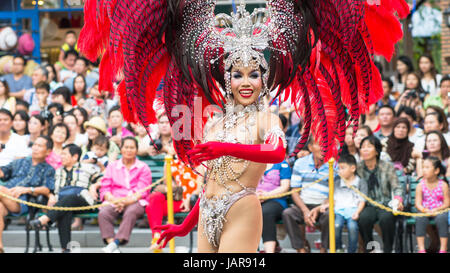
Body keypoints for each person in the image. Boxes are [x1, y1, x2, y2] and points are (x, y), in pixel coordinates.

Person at [79, 0, 407, 253]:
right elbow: (212, 183)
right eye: (238, 74)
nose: (245, 81)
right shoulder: (215, 123)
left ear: (264, 77)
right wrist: (182, 228)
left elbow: (277, 151)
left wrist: (223, 148)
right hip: (206, 211)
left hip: (243, 210)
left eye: (254, 74)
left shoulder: (266, 119)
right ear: (228, 78)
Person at [29, 144, 102, 252]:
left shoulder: (87, 167)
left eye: (65, 154)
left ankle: (45, 220)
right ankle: (65, 249)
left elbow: (104, 179)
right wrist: (51, 196)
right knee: (65, 208)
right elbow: (52, 189)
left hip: (82, 200)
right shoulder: (58, 171)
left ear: (75, 156)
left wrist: (94, 186)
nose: (61, 157)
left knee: (69, 199)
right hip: (62, 202)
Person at [0, 136, 55, 253]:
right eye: (34, 144)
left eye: (39, 146)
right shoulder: (20, 162)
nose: (35, 148)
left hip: (21, 202)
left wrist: (28, 189)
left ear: (48, 151)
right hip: (4, 198)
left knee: (1, 190)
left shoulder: (48, 169)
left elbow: (47, 189)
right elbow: (2, 173)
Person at [97, 137, 152, 253]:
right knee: (104, 213)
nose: (129, 150)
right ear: (121, 149)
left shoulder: (143, 168)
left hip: (135, 201)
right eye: (126, 147)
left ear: (136, 150)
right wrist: (114, 200)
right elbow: (105, 187)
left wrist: (125, 201)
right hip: (114, 200)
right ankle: (112, 245)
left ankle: (115, 243)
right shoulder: (112, 166)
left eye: (132, 147)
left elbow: (142, 190)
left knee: (131, 212)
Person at [282, 138, 331, 253]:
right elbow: (294, 191)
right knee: (288, 214)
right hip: (303, 203)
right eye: (320, 144)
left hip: (323, 205)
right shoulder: (300, 163)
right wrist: (305, 211)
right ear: (310, 147)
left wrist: (319, 209)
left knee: (330, 215)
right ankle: (301, 249)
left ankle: (323, 249)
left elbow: (334, 193)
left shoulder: (332, 164)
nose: (324, 148)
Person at [356, 135, 404, 253]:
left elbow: (396, 186)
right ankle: (370, 249)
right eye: (362, 147)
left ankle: (388, 249)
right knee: (364, 219)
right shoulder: (358, 168)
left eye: (369, 146)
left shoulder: (387, 166)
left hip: (385, 203)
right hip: (368, 204)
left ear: (377, 151)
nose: (365, 150)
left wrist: (398, 200)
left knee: (386, 218)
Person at [414, 156, 449, 253]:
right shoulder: (420, 185)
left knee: (442, 219)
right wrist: (424, 210)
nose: (424, 170)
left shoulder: (443, 185)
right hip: (425, 210)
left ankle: (443, 249)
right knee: (420, 218)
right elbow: (417, 203)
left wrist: (436, 210)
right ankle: (421, 249)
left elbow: (447, 203)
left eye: (427, 167)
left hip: (439, 210)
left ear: (436, 170)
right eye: (423, 167)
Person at [333, 154, 367, 253]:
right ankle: (338, 248)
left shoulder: (360, 182)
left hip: (353, 210)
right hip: (339, 210)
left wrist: (357, 212)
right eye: (338, 168)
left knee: (352, 227)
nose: (339, 171)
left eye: (342, 168)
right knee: (337, 225)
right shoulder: (337, 182)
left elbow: (362, 200)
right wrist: (327, 205)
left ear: (353, 168)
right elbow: (333, 198)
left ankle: (352, 250)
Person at [256, 159, 291, 253]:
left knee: (265, 213)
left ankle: (269, 251)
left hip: (276, 200)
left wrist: (267, 195)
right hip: (254, 199)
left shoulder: (282, 164)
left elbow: (285, 186)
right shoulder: (253, 162)